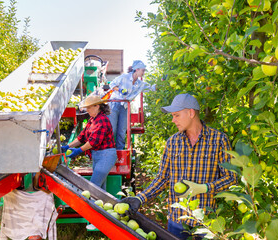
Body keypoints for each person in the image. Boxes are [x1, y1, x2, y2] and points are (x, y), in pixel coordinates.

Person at [120, 93, 237, 239]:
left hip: (206, 223)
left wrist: (205, 188)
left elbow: (231, 179)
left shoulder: (219, 140)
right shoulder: (172, 142)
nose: (173, 120)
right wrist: (140, 199)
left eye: (176, 115)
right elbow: (162, 178)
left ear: (191, 113)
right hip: (177, 221)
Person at [61, 94, 116, 191]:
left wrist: (79, 150)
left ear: (97, 106)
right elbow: (81, 137)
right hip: (97, 156)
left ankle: (93, 206)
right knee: (100, 189)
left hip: (106, 156)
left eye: (89, 107)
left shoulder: (102, 120)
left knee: (93, 188)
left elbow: (93, 142)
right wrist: (67, 146)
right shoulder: (92, 120)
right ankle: (101, 206)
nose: (87, 110)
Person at [107, 60, 156, 150]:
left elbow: (152, 88)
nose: (143, 73)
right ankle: (109, 150)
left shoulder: (140, 84)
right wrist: (120, 89)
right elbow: (112, 84)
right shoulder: (124, 77)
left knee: (122, 131)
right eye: (143, 70)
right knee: (112, 129)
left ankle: (120, 151)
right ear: (136, 70)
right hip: (115, 104)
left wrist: (162, 81)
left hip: (125, 107)